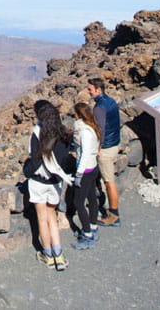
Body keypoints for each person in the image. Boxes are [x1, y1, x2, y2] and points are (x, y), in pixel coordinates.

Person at [27, 100, 72, 271]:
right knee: (52, 217)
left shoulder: (38, 133)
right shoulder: (63, 133)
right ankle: (59, 256)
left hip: (38, 182)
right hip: (55, 181)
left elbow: (34, 160)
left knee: (42, 218)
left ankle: (47, 255)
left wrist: (27, 172)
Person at [87, 75, 122, 226]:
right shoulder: (110, 101)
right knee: (108, 180)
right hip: (115, 143)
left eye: (90, 90)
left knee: (109, 181)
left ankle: (114, 215)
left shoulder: (100, 107)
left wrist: (99, 148)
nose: (88, 92)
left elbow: (99, 129)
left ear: (98, 89)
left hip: (106, 148)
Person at [70, 101, 102, 250]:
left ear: (78, 115)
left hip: (86, 170)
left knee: (78, 202)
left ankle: (87, 234)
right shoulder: (92, 127)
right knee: (91, 198)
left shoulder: (84, 132)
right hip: (92, 168)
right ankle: (93, 226)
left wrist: (78, 173)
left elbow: (85, 154)